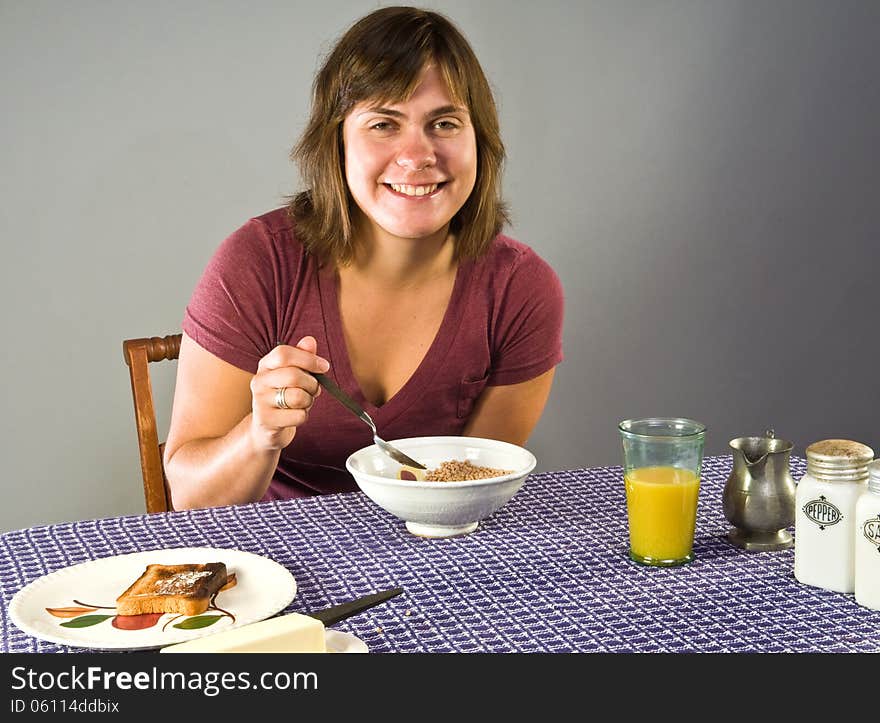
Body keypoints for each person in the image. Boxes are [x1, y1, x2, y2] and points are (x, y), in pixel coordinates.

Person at [163, 6, 564, 510]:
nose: (417, 155)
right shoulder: (259, 262)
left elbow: (470, 495)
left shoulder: (521, 290)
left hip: (437, 555)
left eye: (444, 123)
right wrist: (259, 433)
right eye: (383, 124)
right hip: (270, 561)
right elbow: (190, 500)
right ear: (338, 144)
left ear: (479, 142)